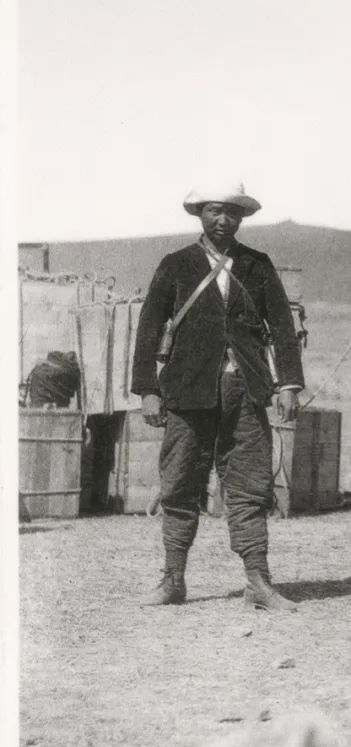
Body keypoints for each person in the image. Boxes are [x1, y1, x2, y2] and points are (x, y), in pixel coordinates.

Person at [131, 183, 305, 611]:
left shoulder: (257, 265)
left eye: (231, 213)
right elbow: (148, 328)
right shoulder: (175, 265)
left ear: (241, 217)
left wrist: (288, 384)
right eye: (214, 211)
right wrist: (148, 389)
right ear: (200, 214)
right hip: (187, 391)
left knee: (251, 485)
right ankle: (173, 580)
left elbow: (283, 328)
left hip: (246, 391)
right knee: (179, 484)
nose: (223, 220)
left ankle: (258, 583)